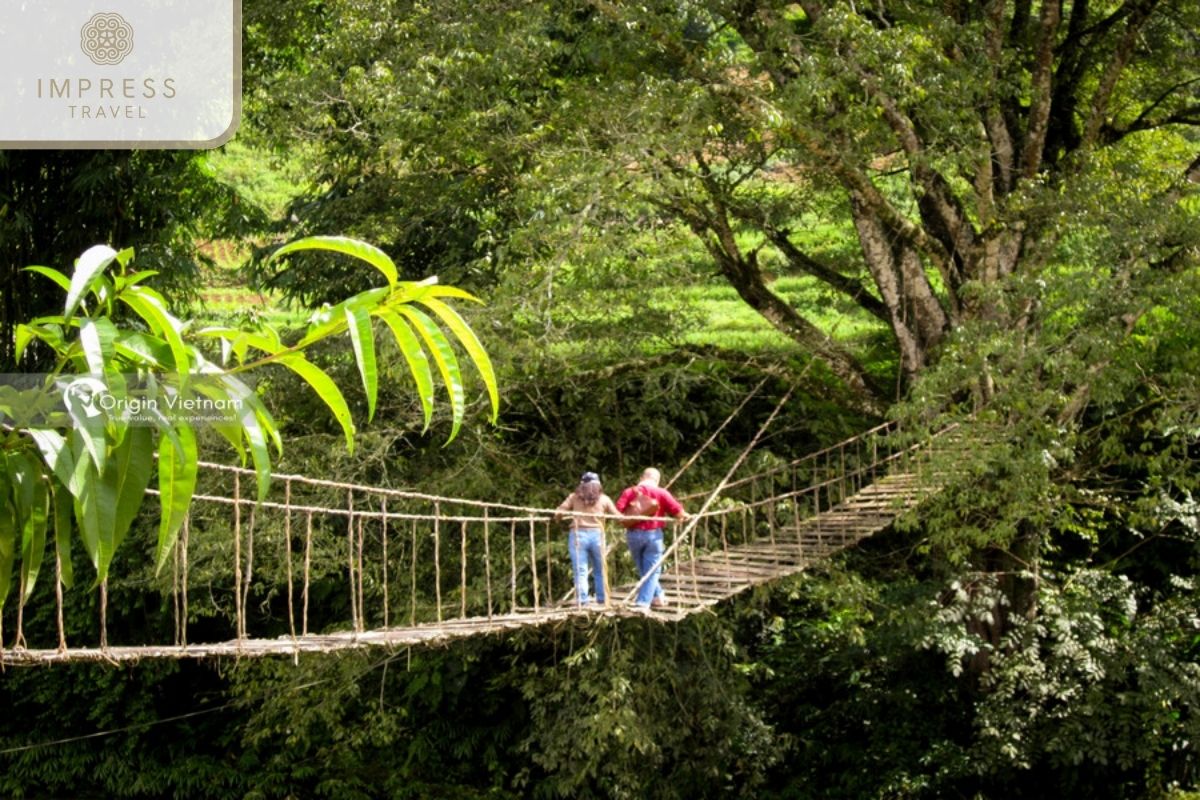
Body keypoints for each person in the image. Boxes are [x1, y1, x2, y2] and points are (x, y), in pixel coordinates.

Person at [616, 468, 688, 608]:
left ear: (642, 477)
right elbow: (678, 512)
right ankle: (643, 603)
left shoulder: (629, 492)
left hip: (633, 536)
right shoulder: (662, 493)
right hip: (653, 536)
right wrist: (684, 516)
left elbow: (617, 511)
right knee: (652, 571)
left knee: (644, 569)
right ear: (657, 480)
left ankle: (659, 596)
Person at [555, 471, 620, 607]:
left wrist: (557, 518)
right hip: (597, 535)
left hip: (578, 535)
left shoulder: (574, 497)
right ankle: (602, 599)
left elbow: (560, 511)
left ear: (581, 485)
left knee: (580, 570)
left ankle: (582, 601)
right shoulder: (604, 499)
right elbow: (618, 516)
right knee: (600, 569)